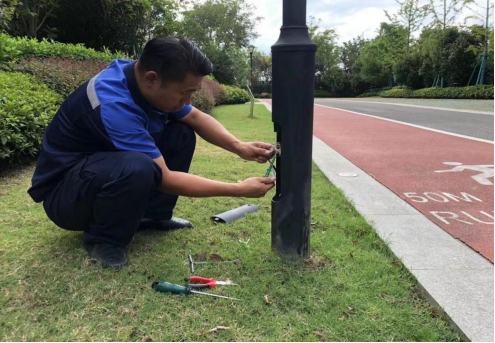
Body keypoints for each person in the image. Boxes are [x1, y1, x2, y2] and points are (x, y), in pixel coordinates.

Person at [28, 37, 276, 269]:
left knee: (182, 132)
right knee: (140, 165)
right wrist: (238, 189)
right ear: (151, 79)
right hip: (66, 197)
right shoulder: (113, 103)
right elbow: (165, 178)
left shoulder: (141, 80)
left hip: (98, 172)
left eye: (193, 92)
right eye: (184, 92)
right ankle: (104, 239)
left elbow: (194, 116)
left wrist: (240, 147)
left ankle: (153, 217)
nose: (188, 101)